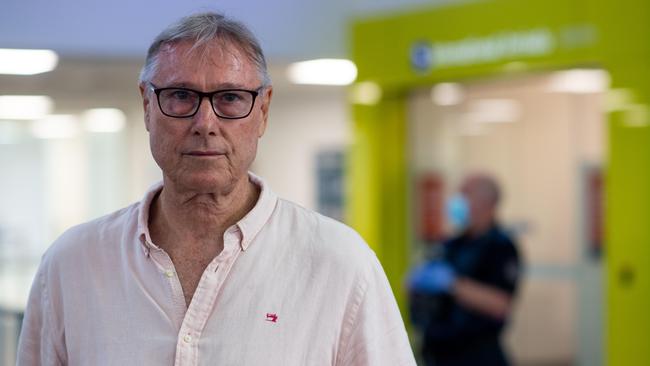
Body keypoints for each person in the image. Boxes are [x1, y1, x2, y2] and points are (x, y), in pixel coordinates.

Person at [16, 12, 415, 366]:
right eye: (180, 96)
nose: (205, 122)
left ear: (263, 111)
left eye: (230, 98)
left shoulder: (339, 264)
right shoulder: (72, 265)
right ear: (146, 107)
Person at [408, 174, 521, 366]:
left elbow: (501, 305)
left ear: (487, 203)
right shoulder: (452, 244)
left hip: (477, 355)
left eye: (465, 193)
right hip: (438, 352)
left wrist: (451, 284)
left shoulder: (501, 247)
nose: (456, 200)